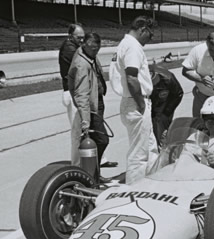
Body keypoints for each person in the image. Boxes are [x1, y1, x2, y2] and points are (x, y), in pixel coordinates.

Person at [113, 16, 158, 185]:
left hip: (133, 101)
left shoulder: (125, 44)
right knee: (138, 155)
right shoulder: (132, 46)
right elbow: (131, 77)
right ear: (142, 29)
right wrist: (141, 103)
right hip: (136, 102)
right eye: (150, 35)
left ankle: (154, 182)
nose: (150, 39)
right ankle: (134, 191)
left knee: (151, 149)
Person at [68, 33, 111, 183]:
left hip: (97, 101)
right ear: (84, 44)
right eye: (92, 48)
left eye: (97, 49)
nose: (95, 51)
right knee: (102, 140)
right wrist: (86, 121)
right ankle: (90, 176)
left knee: (96, 141)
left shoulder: (90, 56)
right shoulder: (82, 64)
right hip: (91, 107)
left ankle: (93, 176)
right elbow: (81, 94)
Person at [149, 65, 184, 147]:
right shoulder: (139, 78)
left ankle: (165, 150)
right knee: (149, 135)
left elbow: (178, 94)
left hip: (164, 106)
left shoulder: (168, 78)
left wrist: (167, 112)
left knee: (162, 133)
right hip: (149, 106)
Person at [59, 24, 84, 125]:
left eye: (83, 37)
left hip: (74, 90)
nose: (82, 40)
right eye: (79, 38)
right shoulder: (69, 48)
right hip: (72, 91)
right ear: (70, 36)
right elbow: (83, 62)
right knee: (77, 129)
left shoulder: (74, 46)